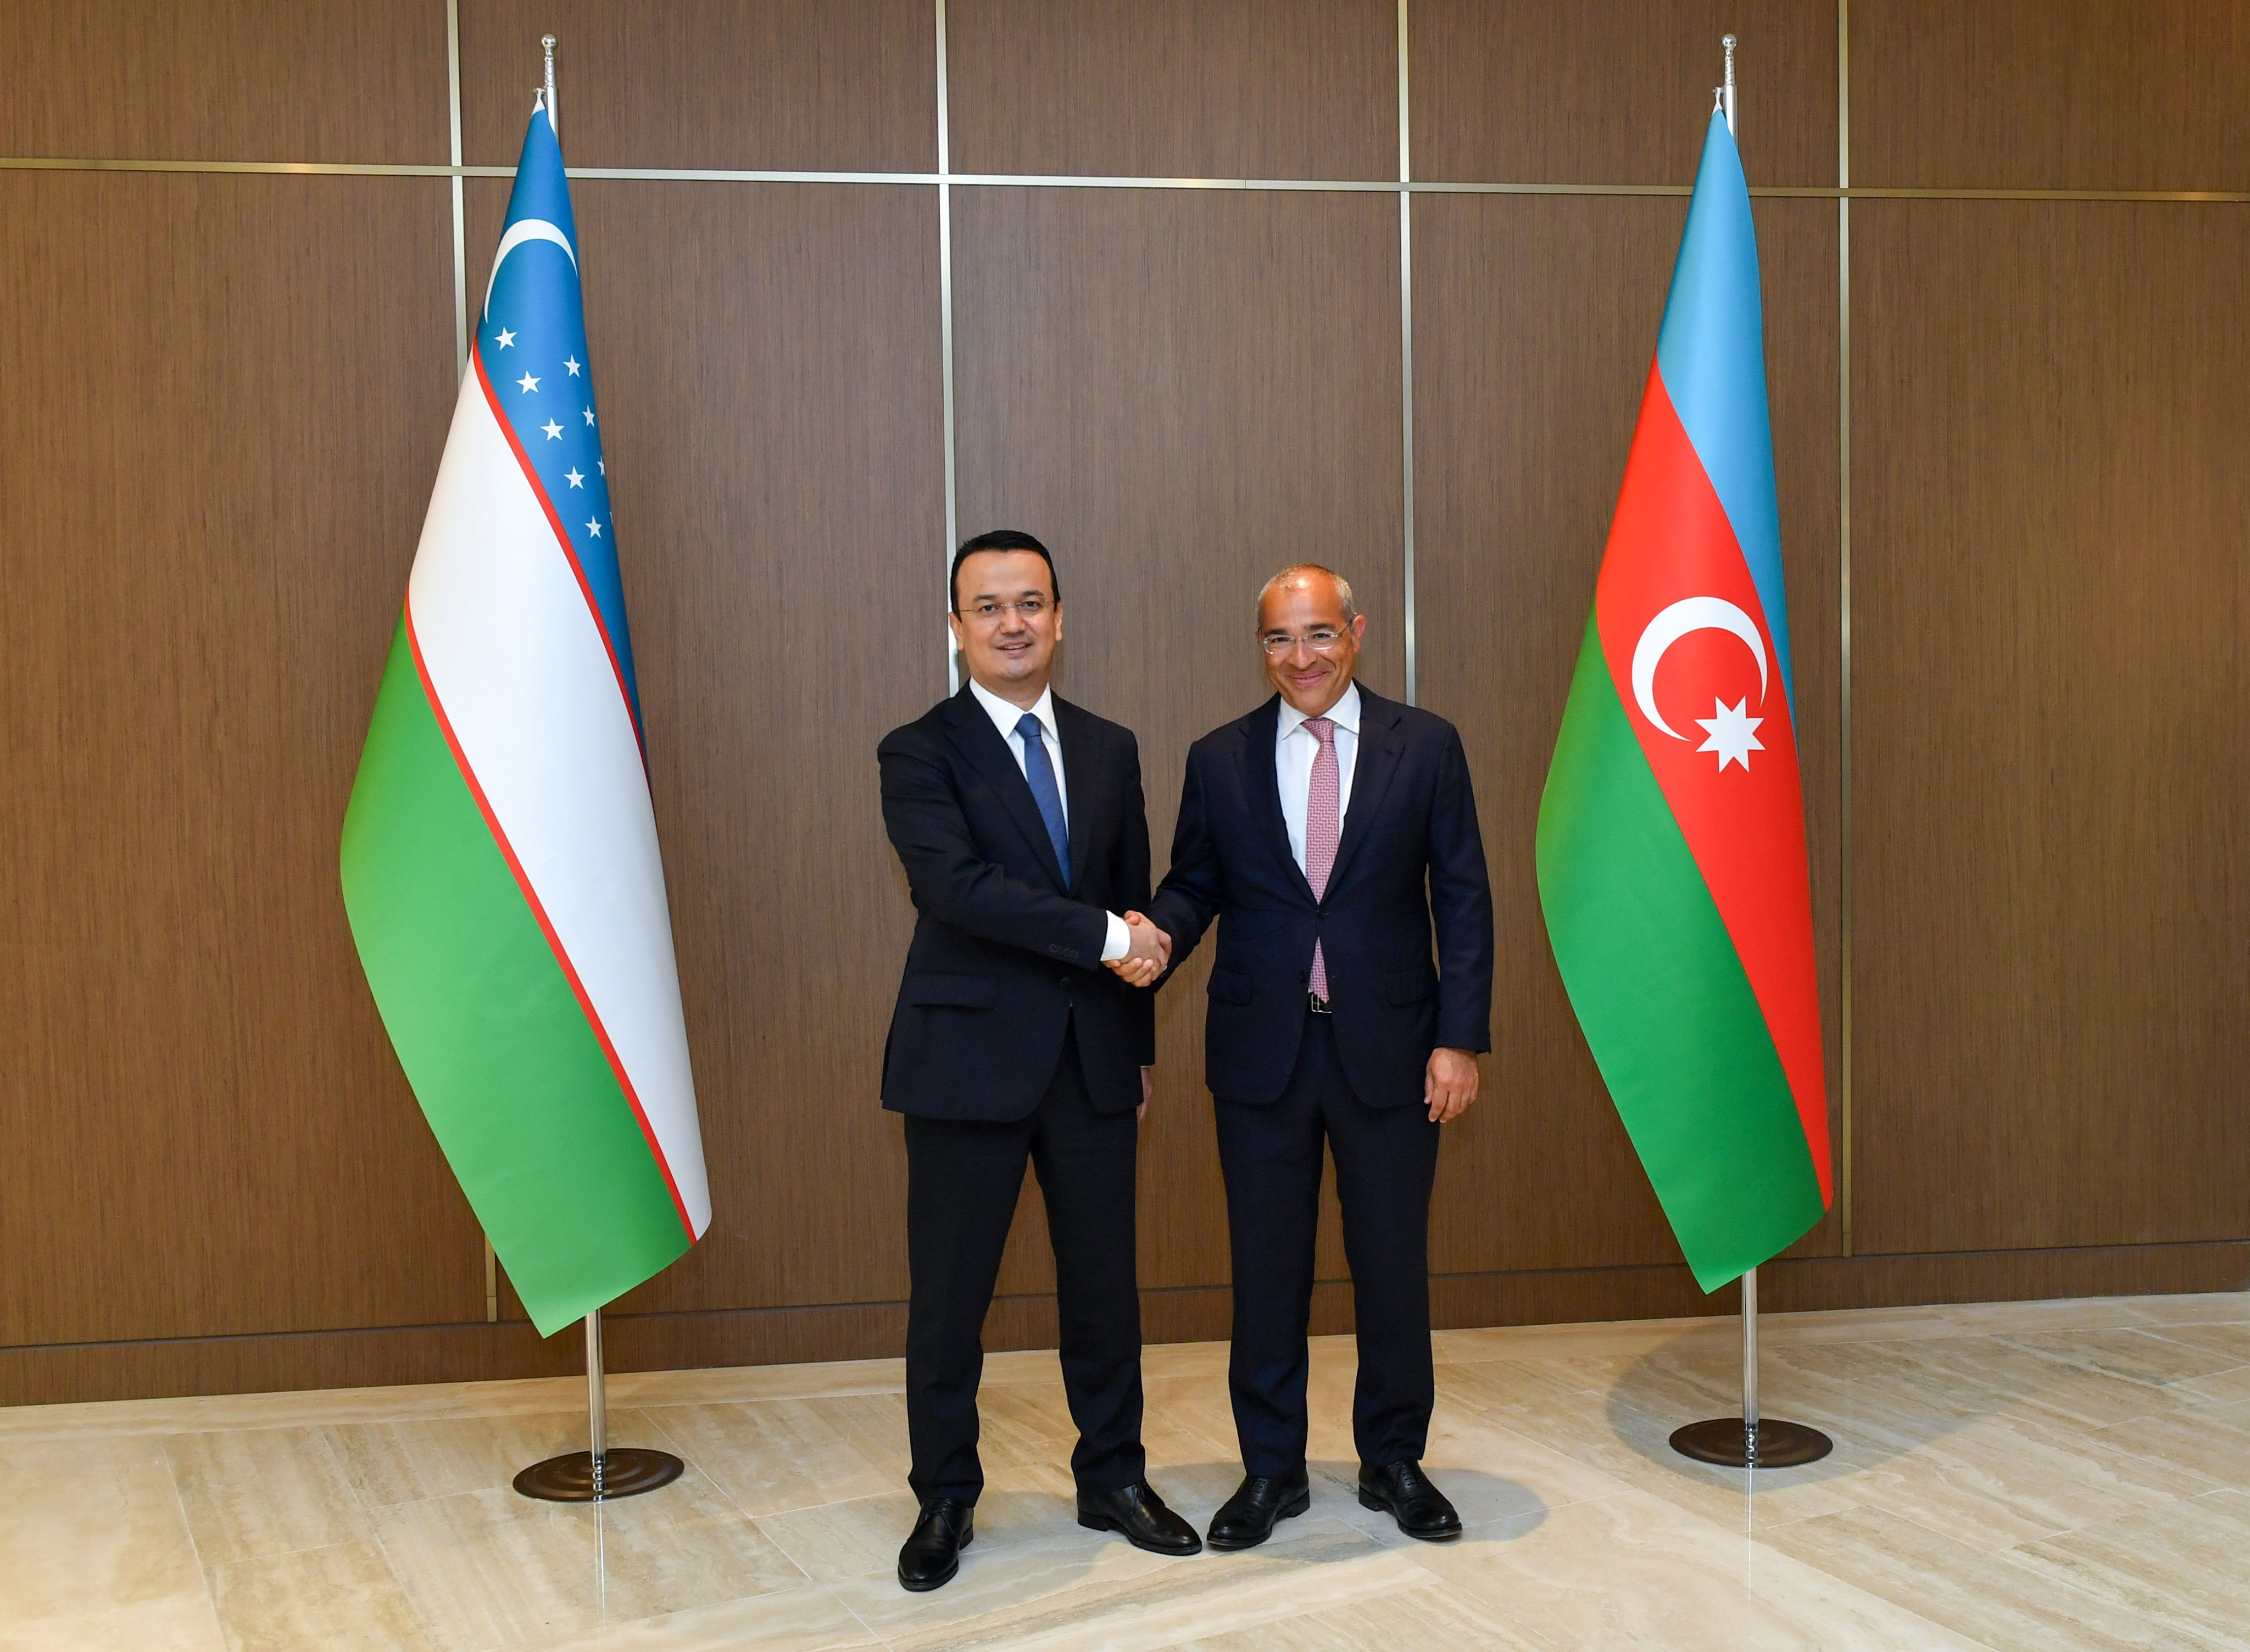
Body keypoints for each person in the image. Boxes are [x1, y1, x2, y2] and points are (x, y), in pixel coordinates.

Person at [1134, 563, 1495, 1549]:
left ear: (1357, 632)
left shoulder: (1427, 745)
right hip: (1264, 1054)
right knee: (1266, 1272)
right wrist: (1152, 939)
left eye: (1319, 633)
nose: (1301, 657)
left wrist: (1459, 1038)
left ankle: (1394, 1460)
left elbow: (1464, 898)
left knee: (1392, 1266)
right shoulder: (1219, 757)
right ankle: (1271, 1471)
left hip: (1394, 1050)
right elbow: (1194, 885)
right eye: (1280, 639)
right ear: (1261, 648)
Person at [876, 529, 1200, 1592]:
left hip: (1093, 1062)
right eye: (988, 606)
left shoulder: (1109, 745)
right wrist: (1110, 938)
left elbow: (1131, 893)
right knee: (950, 1299)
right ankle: (945, 1496)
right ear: (957, 627)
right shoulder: (917, 750)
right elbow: (957, 889)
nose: (1011, 623)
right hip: (966, 1061)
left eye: (1030, 603)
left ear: (1060, 618)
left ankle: (1114, 1478)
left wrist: (1136, 1048)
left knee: (1106, 1291)